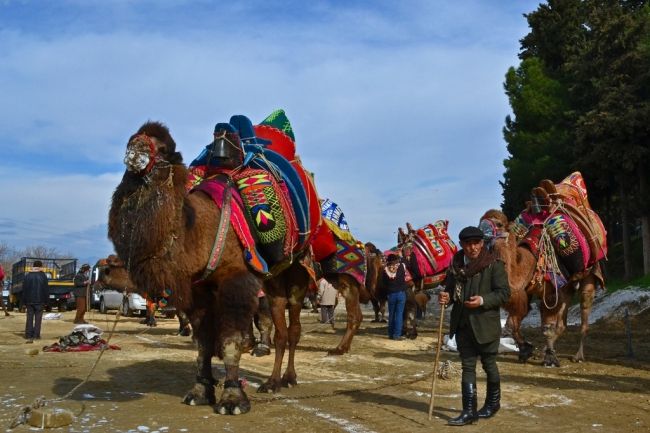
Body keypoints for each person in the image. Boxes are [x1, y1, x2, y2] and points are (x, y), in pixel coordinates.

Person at [438, 226, 510, 425]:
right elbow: (451, 291)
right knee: (467, 366)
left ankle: (493, 403)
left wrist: (482, 301)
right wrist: (446, 297)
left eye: (476, 243)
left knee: (489, 365)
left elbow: (504, 293)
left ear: (481, 243)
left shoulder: (493, 264)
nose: (472, 248)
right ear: (462, 245)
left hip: (486, 325)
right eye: (468, 244)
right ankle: (469, 412)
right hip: (462, 325)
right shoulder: (455, 265)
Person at [22, 260, 49, 343]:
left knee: (29, 318)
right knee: (38, 319)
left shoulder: (27, 276)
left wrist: (23, 302)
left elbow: (24, 290)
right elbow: (46, 289)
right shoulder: (43, 276)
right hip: (40, 300)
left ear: (33, 266)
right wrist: (47, 302)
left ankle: (28, 335)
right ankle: (36, 335)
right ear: (40, 266)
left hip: (29, 300)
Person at [383, 253, 408, 340]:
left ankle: (390, 334)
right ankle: (397, 335)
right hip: (401, 294)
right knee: (399, 315)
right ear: (396, 260)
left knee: (391, 315)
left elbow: (384, 283)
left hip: (391, 294)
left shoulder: (385, 269)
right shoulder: (402, 266)